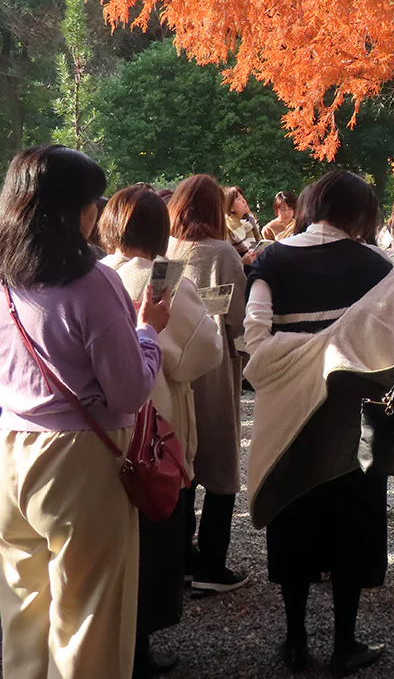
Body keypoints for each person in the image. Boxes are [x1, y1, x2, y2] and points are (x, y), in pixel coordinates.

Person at [0, 145, 169, 679]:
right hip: (78, 460)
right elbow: (128, 393)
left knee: (22, 606)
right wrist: (149, 334)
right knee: (88, 613)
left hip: (10, 449)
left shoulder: (6, 277)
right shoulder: (94, 284)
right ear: (74, 208)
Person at [243, 170, 394, 676]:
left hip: (288, 417)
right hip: (357, 420)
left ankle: (295, 640)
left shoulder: (273, 259)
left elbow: (255, 338)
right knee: (354, 522)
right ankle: (346, 642)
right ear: (362, 213)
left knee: (293, 515)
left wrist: (300, 358)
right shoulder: (380, 266)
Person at [99, 184, 223, 678]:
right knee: (151, 534)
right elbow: (204, 352)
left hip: (98, 429)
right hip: (155, 428)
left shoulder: (95, 275)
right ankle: (138, 648)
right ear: (159, 231)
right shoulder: (165, 282)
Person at [167, 175, 248, 595]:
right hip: (214, 368)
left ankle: (180, 558)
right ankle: (212, 565)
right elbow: (237, 319)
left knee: (181, 460)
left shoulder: (167, 250)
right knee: (220, 458)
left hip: (172, 368)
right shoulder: (223, 253)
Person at [224, 185, 262, 265]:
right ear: (230, 207)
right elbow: (224, 264)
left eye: (242, 197)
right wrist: (243, 261)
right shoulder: (227, 229)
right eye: (239, 199)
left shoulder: (250, 221)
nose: (244, 201)